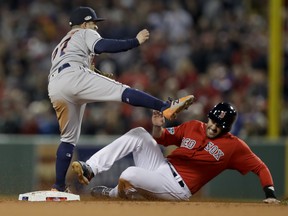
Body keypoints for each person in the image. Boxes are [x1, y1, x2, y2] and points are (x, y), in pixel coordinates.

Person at [48, 6, 194, 192]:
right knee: (123, 91)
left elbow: (71, 60)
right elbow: (102, 46)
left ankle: (58, 187)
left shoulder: (60, 45)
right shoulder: (83, 32)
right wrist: (135, 41)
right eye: (93, 23)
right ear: (84, 23)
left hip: (55, 86)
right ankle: (165, 106)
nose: (96, 27)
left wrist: (95, 74)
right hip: (75, 76)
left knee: (68, 139)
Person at [71, 102, 280, 203]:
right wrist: (157, 126)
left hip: (177, 189)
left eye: (221, 125)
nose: (214, 126)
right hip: (162, 168)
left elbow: (260, 167)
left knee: (128, 175)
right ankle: (91, 167)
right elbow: (162, 138)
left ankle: (115, 194)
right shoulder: (193, 126)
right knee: (139, 134)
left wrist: (270, 194)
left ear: (227, 128)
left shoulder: (234, 146)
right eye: (213, 120)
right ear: (209, 117)